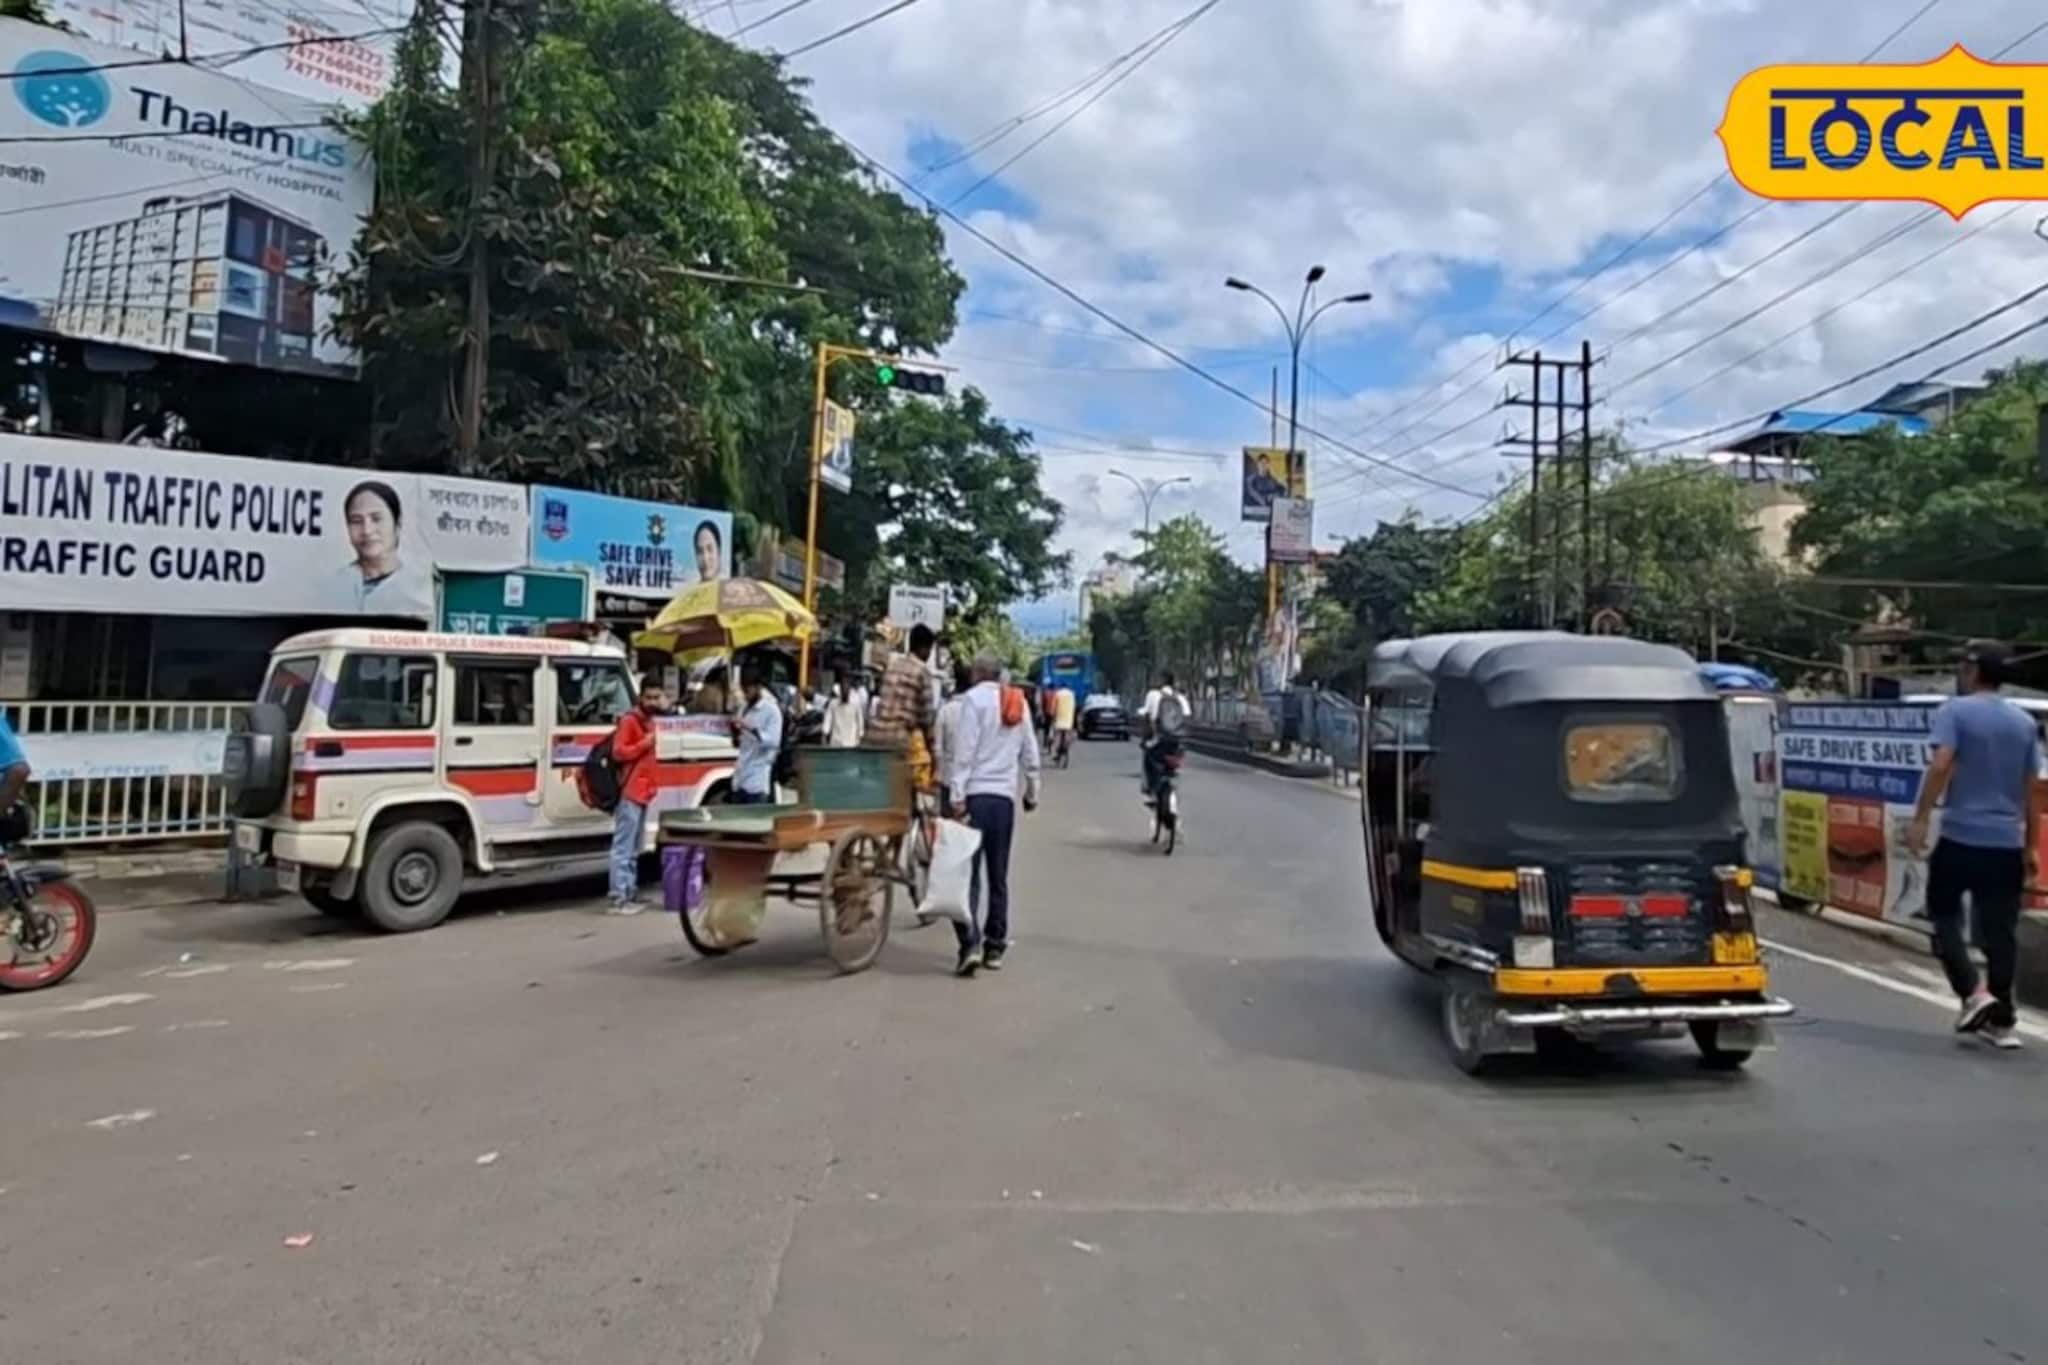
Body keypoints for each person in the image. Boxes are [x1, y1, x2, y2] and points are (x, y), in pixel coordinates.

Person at [1907, 640, 2045, 1050]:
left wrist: (1920, 818)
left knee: (1944, 914)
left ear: (1971, 671)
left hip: (1961, 834)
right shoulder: (2022, 723)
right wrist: (2030, 846)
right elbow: (2031, 791)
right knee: (2001, 932)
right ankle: (2002, 1020)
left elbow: (1941, 763)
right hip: (2006, 841)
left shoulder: (1954, 711)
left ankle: (1973, 992)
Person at [944, 652, 1041, 975]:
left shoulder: (973, 702)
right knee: (998, 876)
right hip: (1003, 801)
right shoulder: (1017, 700)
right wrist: (1032, 791)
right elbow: (1030, 749)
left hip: (975, 798)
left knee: (968, 876)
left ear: (976, 674)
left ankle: (969, 944)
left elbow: (965, 752)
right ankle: (995, 946)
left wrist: (957, 796)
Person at [605, 680, 667, 914]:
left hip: (642, 792)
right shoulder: (630, 721)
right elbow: (619, 752)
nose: (653, 702)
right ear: (640, 697)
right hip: (630, 791)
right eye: (649, 697)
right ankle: (618, 898)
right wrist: (644, 744)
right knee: (623, 847)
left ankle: (629, 893)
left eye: (656, 697)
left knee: (634, 848)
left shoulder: (649, 721)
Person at [337, 480, 411, 611]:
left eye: (376, 519)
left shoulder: (416, 587)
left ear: (397, 524)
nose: (367, 530)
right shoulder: (334, 584)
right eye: (356, 521)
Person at [728, 667, 783, 805]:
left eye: (748, 690)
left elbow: (773, 742)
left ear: (758, 687)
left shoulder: (771, 711)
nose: (746, 695)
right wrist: (735, 731)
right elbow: (738, 743)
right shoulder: (743, 708)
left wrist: (749, 727)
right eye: (743, 690)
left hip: (758, 779)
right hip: (740, 776)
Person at [1139, 671, 1185, 803]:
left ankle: (1149, 792)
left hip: (1159, 740)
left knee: (1148, 758)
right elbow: (1187, 717)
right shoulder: (1180, 697)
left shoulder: (1153, 695)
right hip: (1177, 741)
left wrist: (1145, 738)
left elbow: (1146, 716)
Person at [825, 678, 865, 748]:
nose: (845, 693)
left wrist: (860, 736)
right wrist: (825, 733)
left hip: (852, 742)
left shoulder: (856, 703)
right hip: (836, 742)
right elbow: (828, 720)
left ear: (849, 691)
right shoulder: (833, 703)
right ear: (840, 691)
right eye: (843, 691)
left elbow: (860, 721)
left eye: (846, 691)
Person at [1051, 683, 1078, 763]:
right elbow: (1074, 707)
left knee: (1057, 736)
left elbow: (1053, 707)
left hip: (1059, 718)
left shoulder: (1057, 694)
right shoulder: (1072, 694)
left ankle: (1057, 752)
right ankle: (1066, 747)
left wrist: (1052, 715)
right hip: (1069, 719)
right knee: (1068, 735)